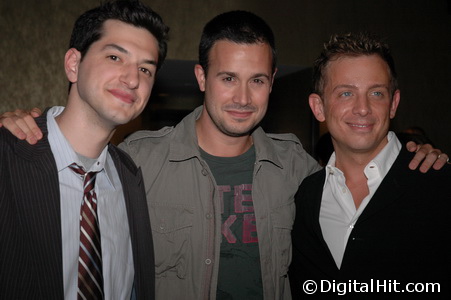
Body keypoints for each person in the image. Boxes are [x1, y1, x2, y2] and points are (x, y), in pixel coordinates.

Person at [0, 12, 447, 300]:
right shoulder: (136, 163)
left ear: (273, 81)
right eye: (228, 78)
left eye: (257, 80)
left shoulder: (301, 171)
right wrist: (25, 125)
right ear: (201, 77)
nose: (242, 97)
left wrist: (413, 156)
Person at [0, 1, 169, 299]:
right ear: (74, 64)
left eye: (146, 69)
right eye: (115, 57)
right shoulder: (7, 156)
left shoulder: (131, 178)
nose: (133, 80)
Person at [289, 32, 451, 299]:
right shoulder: (302, 197)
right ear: (318, 107)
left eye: (376, 93)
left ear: (393, 104)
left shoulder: (439, 185)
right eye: (345, 94)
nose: (362, 108)